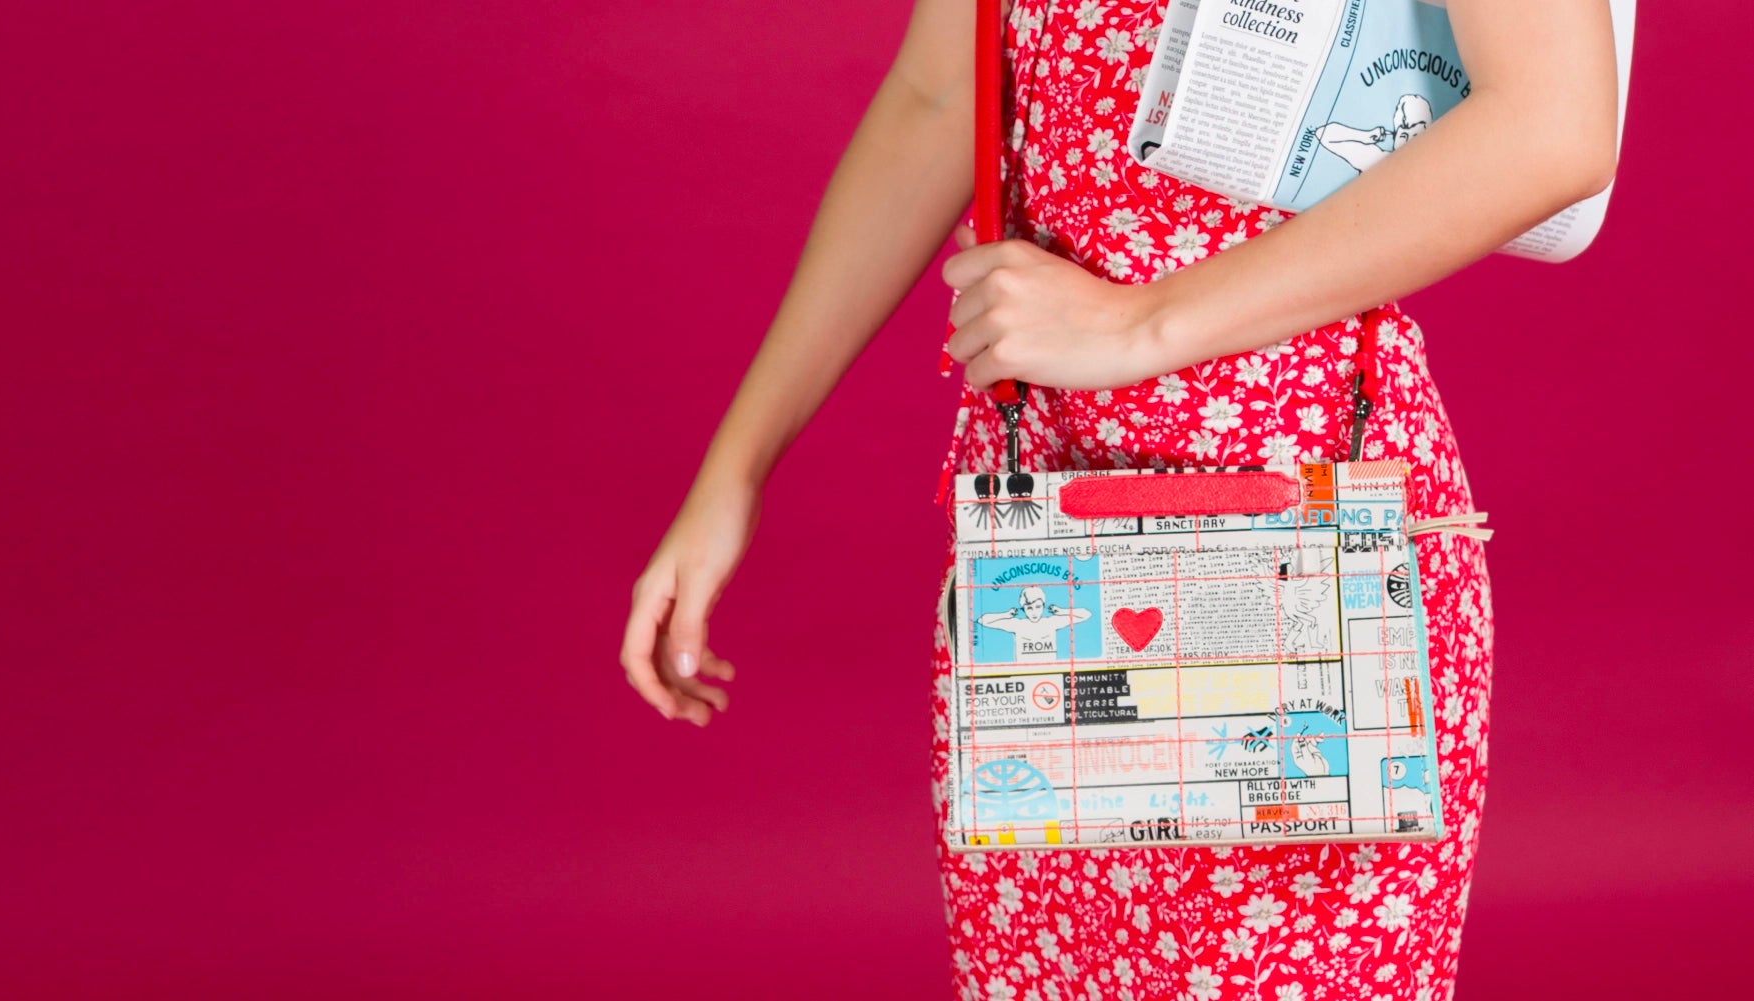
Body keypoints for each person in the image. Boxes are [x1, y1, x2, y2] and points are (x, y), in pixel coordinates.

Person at [614, 1, 1619, 998]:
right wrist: (735, 470)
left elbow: (1552, 122)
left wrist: (1141, 325)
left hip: (1310, 534)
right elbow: (938, 93)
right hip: (1044, 539)